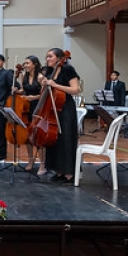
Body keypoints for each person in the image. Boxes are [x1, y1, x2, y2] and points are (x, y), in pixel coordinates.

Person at [39, 48, 81, 183]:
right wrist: (45, 84)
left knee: (66, 140)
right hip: (53, 108)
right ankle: (58, 171)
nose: (47, 59)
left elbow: (75, 90)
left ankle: (69, 173)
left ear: (59, 58)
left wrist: (55, 85)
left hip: (66, 108)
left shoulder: (68, 70)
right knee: (54, 139)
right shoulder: (50, 72)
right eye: (47, 57)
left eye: (50, 56)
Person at [15, 56, 43, 173]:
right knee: (28, 136)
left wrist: (33, 97)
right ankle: (30, 160)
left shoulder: (40, 77)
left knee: (38, 136)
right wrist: (17, 91)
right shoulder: (24, 76)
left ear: (35, 64)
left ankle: (43, 164)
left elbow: (44, 94)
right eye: (25, 63)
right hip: (26, 107)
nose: (25, 65)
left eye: (28, 63)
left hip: (38, 106)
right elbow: (23, 90)